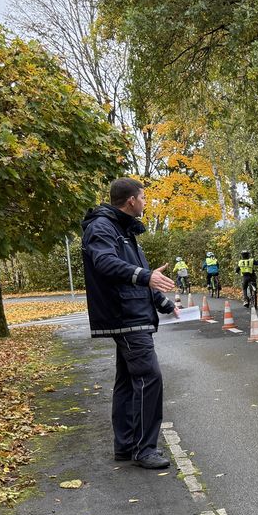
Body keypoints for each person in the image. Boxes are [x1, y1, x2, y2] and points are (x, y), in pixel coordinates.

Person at [81, 177, 177, 470]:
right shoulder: (102, 227)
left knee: (126, 381)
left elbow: (138, 276)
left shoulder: (123, 230)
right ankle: (144, 449)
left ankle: (125, 446)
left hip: (132, 314)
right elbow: (105, 263)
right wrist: (146, 276)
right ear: (131, 200)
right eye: (143, 198)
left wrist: (164, 303)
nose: (145, 203)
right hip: (125, 317)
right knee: (149, 378)